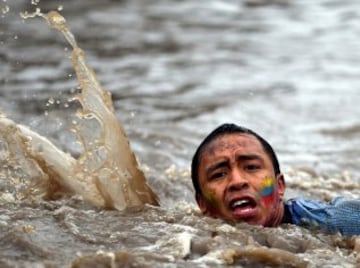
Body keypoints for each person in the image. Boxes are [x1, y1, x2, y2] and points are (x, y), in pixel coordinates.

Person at [191, 123, 360, 237]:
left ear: (280, 186)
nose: (237, 181)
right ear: (202, 204)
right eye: (219, 174)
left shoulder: (336, 221)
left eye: (251, 167)